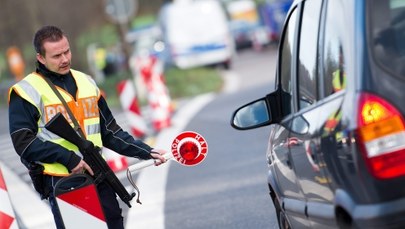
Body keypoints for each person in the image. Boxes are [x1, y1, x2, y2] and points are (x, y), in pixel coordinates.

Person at [8, 25, 167, 229]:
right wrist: (68, 158)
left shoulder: (87, 82)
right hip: (64, 182)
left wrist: (147, 151)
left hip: (98, 174)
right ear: (41, 58)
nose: (64, 59)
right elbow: (23, 143)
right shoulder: (25, 91)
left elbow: (110, 133)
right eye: (56, 56)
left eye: (67, 51)